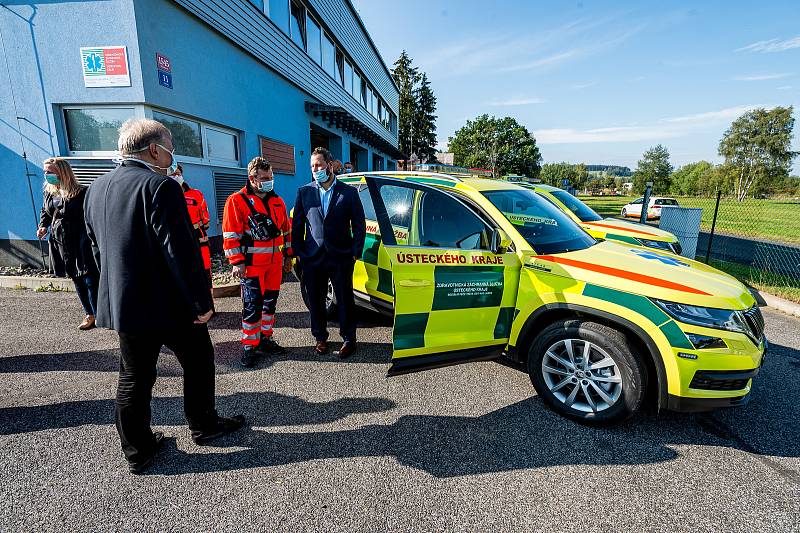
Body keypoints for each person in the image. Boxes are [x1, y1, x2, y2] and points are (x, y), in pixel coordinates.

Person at [83, 118, 244, 474]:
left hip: (126, 305)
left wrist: (109, 294)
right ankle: (204, 424)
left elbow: (95, 250)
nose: (172, 153)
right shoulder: (160, 187)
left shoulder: (96, 188)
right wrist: (201, 304)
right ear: (154, 149)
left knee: (134, 377)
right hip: (168, 305)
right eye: (170, 146)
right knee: (199, 359)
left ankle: (137, 449)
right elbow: (181, 252)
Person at [291, 147, 366, 358]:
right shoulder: (304, 192)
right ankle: (320, 337)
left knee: (344, 300)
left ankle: (349, 338)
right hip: (313, 257)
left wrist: (355, 252)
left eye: (319, 165)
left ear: (330, 165)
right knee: (316, 300)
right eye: (312, 166)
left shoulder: (348, 193)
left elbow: (359, 224)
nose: (315, 169)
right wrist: (298, 252)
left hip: (341, 256)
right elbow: (297, 224)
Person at [222, 157, 292, 368]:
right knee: (253, 306)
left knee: (270, 304)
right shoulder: (237, 200)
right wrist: (236, 262)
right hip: (251, 265)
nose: (269, 181)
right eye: (264, 178)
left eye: (271, 177)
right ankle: (250, 346)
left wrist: (288, 256)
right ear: (252, 178)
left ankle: (265, 338)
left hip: (274, 264)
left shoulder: (277, 201)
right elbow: (230, 235)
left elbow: (287, 230)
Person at [36, 157, 99, 330]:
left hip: (81, 238)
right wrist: (43, 226)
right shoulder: (49, 192)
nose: (47, 175)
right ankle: (90, 314)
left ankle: (99, 313)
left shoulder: (81, 192)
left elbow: (91, 216)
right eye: (45, 172)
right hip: (60, 240)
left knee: (89, 277)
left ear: (62, 173)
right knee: (75, 276)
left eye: (50, 172)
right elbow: (45, 211)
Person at [171, 164, 213, 301]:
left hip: (198, 237)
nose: (176, 176)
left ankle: (209, 303)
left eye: (178, 173)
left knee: (205, 270)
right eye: (172, 174)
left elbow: (205, 218)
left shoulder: (196, 194)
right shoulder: (164, 196)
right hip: (176, 239)